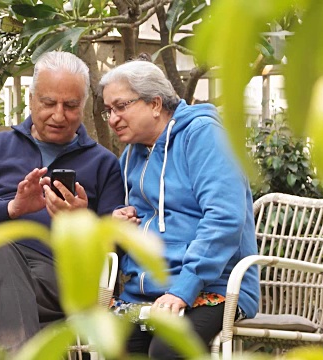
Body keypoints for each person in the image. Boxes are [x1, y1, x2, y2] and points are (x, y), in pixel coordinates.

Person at [0, 50, 125, 359]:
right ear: (31, 98)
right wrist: (10, 209)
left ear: (84, 105)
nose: (59, 115)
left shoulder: (103, 163)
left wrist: (81, 223)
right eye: (49, 103)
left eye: (71, 105)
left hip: (52, 279)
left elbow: (115, 248)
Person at [98, 60, 260, 359]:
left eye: (121, 106)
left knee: (168, 349)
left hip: (214, 289)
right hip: (149, 294)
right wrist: (116, 222)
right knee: (113, 343)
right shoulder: (133, 154)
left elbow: (224, 218)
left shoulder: (203, 135)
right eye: (109, 110)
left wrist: (182, 289)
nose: (113, 118)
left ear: (155, 103)